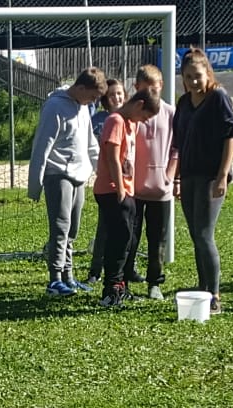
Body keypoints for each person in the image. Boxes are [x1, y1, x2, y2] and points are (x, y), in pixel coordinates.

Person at [28, 68, 106, 297]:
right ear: (80, 88)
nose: (93, 102)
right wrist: (35, 185)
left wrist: (103, 170)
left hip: (79, 176)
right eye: (92, 97)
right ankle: (54, 280)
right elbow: (41, 145)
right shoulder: (54, 106)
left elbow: (90, 143)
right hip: (58, 173)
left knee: (72, 229)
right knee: (60, 228)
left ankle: (68, 277)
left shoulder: (83, 107)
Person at [172, 48, 233, 313]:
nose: (193, 81)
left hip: (211, 176)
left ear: (208, 73)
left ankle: (214, 295)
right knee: (195, 235)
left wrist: (222, 175)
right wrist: (177, 178)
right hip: (189, 175)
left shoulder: (218, 97)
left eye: (198, 76)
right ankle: (202, 288)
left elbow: (230, 135)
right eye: (188, 77)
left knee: (204, 234)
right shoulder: (183, 103)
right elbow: (180, 143)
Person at [93, 89, 162, 308]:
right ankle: (110, 291)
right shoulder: (115, 121)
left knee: (127, 240)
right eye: (145, 116)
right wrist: (120, 188)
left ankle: (121, 286)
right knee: (118, 240)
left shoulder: (130, 123)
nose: (144, 121)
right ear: (139, 105)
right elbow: (112, 157)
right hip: (112, 190)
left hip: (127, 190)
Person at [130, 64, 177, 301]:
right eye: (144, 89)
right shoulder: (131, 114)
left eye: (154, 89)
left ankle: (154, 282)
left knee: (158, 239)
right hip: (133, 189)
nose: (150, 94)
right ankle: (125, 276)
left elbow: (177, 147)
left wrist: (170, 175)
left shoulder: (170, 113)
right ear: (136, 87)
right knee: (130, 236)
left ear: (161, 87)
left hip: (160, 189)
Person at [84, 78, 127, 287]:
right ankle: (95, 269)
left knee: (127, 230)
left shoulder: (131, 119)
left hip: (127, 182)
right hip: (106, 183)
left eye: (119, 93)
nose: (116, 98)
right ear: (104, 99)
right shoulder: (99, 120)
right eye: (112, 95)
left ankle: (126, 270)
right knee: (104, 228)